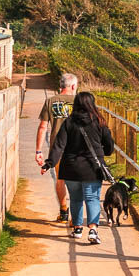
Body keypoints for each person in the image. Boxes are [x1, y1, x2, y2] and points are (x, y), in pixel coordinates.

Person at [41, 91, 114, 245]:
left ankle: (78, 228)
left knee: (75, 199)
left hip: (71, 167)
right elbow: (109, 146)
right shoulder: (99, 122)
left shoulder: (69, 122)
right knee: (92, 198)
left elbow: (59, 145)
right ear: (92, 104)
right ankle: (93, 229)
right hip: (92, 168)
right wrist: (105, 152)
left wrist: (49, 163)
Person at [35, 72, 78, 222]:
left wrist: (39, 151)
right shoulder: (80, 102)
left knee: (60, 179)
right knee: (76, 182)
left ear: (61, 86)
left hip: (57, 149)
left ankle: (64, 211)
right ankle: (76, 217)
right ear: (73, 86)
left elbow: (42, 127)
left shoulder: (50, 101)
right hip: (77, 149)